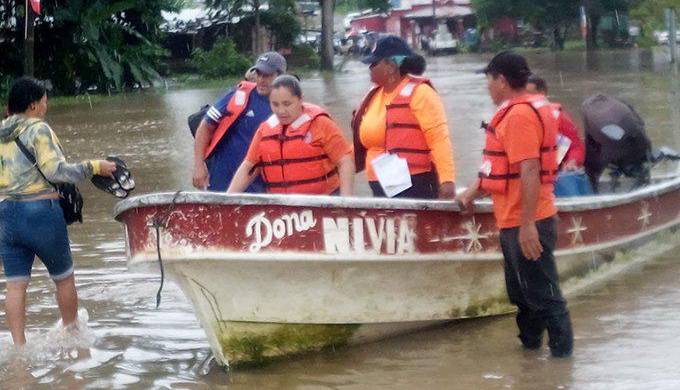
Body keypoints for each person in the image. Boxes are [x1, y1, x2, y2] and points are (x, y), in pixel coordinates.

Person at [456, 52, 573, 358]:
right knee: (522, 295)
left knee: (544, 296)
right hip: (512, 218)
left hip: (527, 220)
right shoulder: (526, 108)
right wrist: (472, 191)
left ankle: (562, 364)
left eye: (489, 81)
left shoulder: (520, 116)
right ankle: (531, 362)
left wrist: (527, 224)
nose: (488, 88)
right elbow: (500, 167)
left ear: (502, 81)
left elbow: (530, 169)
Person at [0, 77, 117, 347]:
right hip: (40, 211)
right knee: (64, 278)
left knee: (15, 284)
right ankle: (73, 336)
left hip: (6, 214)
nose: (45, 105)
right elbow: (56, 171)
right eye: (43, 101)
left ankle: (19, 348)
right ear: (32, 105)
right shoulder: (38, 129)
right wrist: (94, 166)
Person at [351, 35, 456, 199]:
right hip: (380, 185)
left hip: (415, 183)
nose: (369, 67)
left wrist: (447, 180)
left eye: (374, 63)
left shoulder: (421, 93)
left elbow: (439, 138)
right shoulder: (373, 94)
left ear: (391, 66)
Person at [228, 75, 354, 195]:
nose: (281, 111)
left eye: (287, 104)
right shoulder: (264, 130)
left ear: (300, 99)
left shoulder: (322, 124)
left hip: (323, 202)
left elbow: (345, 161)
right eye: (275, 104)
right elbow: (248, 166)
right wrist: (227, 199)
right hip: (283, 208)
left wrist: (345, 202)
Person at [193, 52, 287, 192]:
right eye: (259, 74)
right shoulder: (237, 96)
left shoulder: (288, 106)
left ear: (281, 76)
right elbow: (206, 127)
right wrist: (199, 166)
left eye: (267, 75)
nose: (261, 79)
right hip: (221, 179)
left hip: (259, 185)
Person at [527, 75, 592, 197]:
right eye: (524, 96)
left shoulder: (558, 117)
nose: (528, 100)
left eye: (531, 95)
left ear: (543, 93)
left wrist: (572, 162)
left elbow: (576, 146)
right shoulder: (518, 118)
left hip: (556, 177)